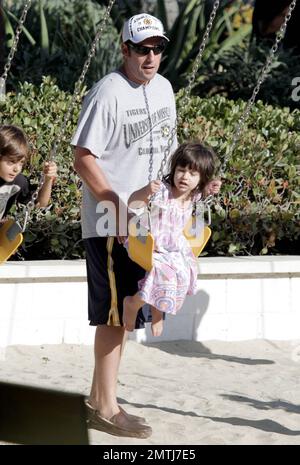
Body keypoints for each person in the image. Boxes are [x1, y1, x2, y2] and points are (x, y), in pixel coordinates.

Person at [72, 13, 177, 438]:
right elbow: (83, 157)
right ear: (125, 49)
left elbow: (167, 153)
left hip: (145, 225)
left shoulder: (165, 89)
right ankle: (106, 408)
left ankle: (100, 399)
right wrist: (115, 204)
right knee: (115, 318)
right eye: (142, 49)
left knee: (126, 310)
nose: (150, 57)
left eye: (157, 48)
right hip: (109, 223)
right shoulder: (108, 93)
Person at [124, 142, 221, 335]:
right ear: (174, 169)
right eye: (181, 170)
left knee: (184, 274)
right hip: (149, 244)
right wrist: (146, 191)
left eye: (193, 174)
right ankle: (133, 303)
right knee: (163, 273)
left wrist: (212, 187)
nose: (185, 176)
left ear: (200, 179)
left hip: (174, 248)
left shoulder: (194, 196)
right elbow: (133, 202)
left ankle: (157, 308)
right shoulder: (162, 191)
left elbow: (206, 191)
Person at [0, 125, 57, 222]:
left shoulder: (18, 181)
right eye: (11, 162)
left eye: (21, 162)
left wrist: (48, 179)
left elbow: (40, 204)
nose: (17, 169)